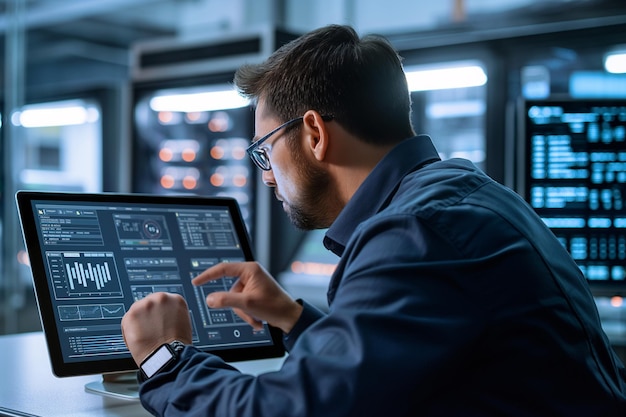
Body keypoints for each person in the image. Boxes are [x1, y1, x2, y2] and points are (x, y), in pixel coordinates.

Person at [121, 24, 626, 416]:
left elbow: (289, 412)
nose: (268, 178)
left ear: (314, 133)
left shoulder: (416, 231)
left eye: (264, 152)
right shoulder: (461, 195)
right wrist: (297, 320)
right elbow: (397, 367)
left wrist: (166, 358)